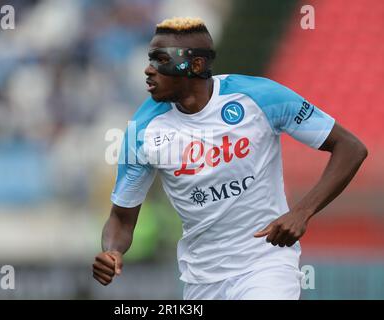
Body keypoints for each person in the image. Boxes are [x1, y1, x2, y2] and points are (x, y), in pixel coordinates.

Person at [92, 17, 368, 299]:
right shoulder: (142, 131)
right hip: (201, 279)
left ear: (196, 65)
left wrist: (302, 211)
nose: (149, 70)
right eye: (151, 59)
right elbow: (122, 219)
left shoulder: (260, 97)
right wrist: (112, 250)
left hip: (266, 265)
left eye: (161, 60)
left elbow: (350, 148)